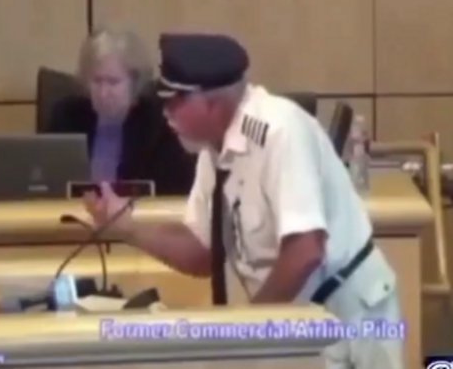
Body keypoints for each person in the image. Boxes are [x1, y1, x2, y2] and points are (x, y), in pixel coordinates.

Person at [83, 33, 403, 369]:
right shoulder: (214, 151)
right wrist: (126, 227)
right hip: (300, 321)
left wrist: (249, 330)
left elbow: (305, 250)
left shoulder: (279, 131)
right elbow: (203, 253)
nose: (165, 113)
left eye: (174, 101)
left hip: (351, 316)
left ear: (214, 104)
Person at [47, 26, 195, 196]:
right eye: (97, 81)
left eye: (113, 82)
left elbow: (181, 190)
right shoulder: (66, 117)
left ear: (134, 82)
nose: (103, 93)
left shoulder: (155, 123)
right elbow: (45, 183)